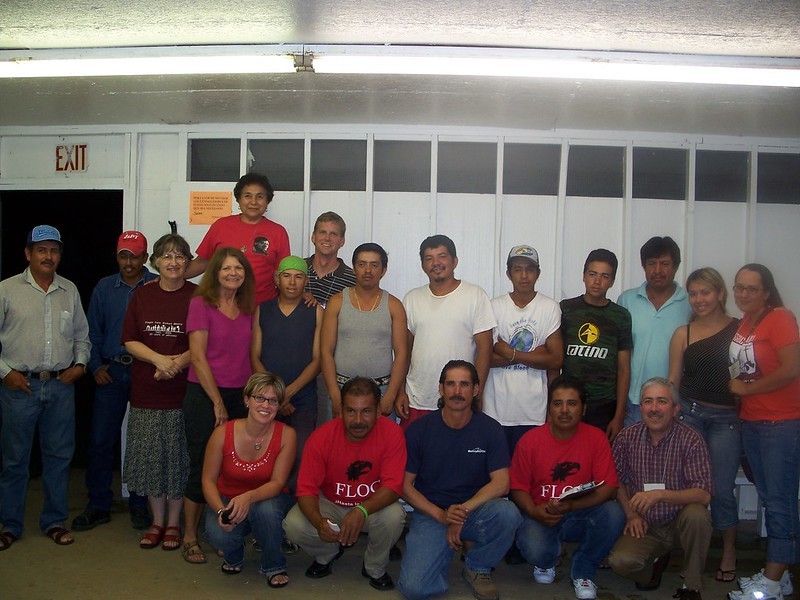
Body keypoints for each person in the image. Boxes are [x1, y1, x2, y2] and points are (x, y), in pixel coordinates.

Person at [398, 360, 522, 600]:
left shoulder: (490, 429)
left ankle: (477, 566)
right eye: (451, 384)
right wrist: (441, 516)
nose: (457, 391)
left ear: (476, 389)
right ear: (440, 389)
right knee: (414, 589)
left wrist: (461, 512)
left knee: (508, 514)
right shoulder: (419, 430)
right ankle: (442, 551)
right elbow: (403, 486)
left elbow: (501, 483)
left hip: (474, 510)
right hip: (432, 513)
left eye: (464, 385)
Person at [0, 225, 90, 551]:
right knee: (14, 461)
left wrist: (80, 365)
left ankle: (54, 521)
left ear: (59, 255)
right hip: (18, 387)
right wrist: (5, 373)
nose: (48, 256)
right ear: (28, 254)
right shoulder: (7, 290)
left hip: (59, 388)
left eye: (53, 250)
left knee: (58, 458)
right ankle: (9, 525)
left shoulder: (70, 290)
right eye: (41, 250)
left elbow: (82, 335)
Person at [283, 377, 406, 591]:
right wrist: (319, 522)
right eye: (351, 411)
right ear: (341, 410)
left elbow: (394, 487)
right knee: (293, 525)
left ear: (378, 411)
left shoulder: (393, 434)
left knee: (395, 516)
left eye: (366, 411)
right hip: (331, 503)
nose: (358, 420)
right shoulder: (321, 437)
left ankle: (374, 566)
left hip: (371, 507)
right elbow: (306, 490)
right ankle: (327, 553)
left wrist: (361, 510)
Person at [510, 375, 625, 600]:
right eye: (557, 403)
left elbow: (609, 487)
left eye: (571, 403)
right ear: (549, 407)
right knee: (534, 549)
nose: (564, 410)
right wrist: (534, 511)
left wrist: (573, 505)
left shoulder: (596, 438)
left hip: (581, 512)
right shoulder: (530, 440)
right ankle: (548, 558)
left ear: (583, 409)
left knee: (614, 514)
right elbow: (518, 487)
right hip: (542, 514)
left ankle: (584, 569)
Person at [72, 230, 157, 533]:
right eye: (124, 255)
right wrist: (95, 366)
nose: (129, 261)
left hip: (146, 372)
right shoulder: (104, 288)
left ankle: (138, 504)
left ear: (146, 258)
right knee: (100, 440)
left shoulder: (156, 286)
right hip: (111, 371)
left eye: (135, 255)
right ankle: (98, 504)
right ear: (117, 256)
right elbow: (91, 331)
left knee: (141, 441)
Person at [727, 264, 800, 600]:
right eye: (739, 287)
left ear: (766, 291)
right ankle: (781, 574)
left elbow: (791, 370)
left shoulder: (780, 318)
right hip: (753, 423)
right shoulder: (747, 322)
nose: (743, 294)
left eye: (751, 289)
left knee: (780, 500)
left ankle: (771, 583)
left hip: (780, 423)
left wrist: (747, 391)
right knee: (771, 498)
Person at [120, 233, 195, 552]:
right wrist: (159, 359)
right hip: (146, 390)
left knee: (177, 460)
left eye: (179, 256)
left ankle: (175, 523)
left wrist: (176, 365)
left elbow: (204, 340)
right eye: (166, 256)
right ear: (155, 262)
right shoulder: (142, 295)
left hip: (184, 392)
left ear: (188, 262)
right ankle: (156, 521)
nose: (173, 262)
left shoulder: (199, 295)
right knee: (152, 460)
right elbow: (129, 340)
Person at [608, 377, 712, 600]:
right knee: (620, 563)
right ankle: (656, 563)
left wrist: (661, 495)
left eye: (662, 401)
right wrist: (631, 513)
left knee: (698, 516)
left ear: (675, 409)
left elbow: (703, 494)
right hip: (644, 524)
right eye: (648, 401)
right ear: (641, 407)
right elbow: (615, 480)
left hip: (678, 521)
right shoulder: (627, 437)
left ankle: (692, 586)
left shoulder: (691, 439)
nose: (654, 409)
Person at [183, 246, 255, 564]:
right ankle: (189, 536)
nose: (232, 273)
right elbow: (197, 356)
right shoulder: (201, 304)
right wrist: (217, 403)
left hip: (240, 396)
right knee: (201, 464)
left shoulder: (249, 307)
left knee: (233, 466)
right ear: (215, 272)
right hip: (204, 395)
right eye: (226, 268)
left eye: (238, 268)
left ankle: (225, 530)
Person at [667, 267, 740, 583]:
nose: (699, 299)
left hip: (728, 420)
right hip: (690, 415)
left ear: (721, 293)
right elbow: (673, 380)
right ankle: (689, 552)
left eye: (705, 292)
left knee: (721, 488)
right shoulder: (683, 333)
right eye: (693, 293)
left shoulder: (740, 331)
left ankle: (728, 551)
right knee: (687, 487)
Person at [202, 372, 297, 586]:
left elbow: (278, 483)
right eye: (259, 398)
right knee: (219, 533)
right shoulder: (222, 433)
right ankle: (233, 555)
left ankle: (274, 564)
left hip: (269, 498)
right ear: (247, 400)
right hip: (227, 498)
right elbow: (208, 481)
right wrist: (221, 511)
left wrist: (247, 498)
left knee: (266, 511)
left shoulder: (287, 435)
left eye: (273, 400)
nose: (266, 405)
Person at [396, 235, 496, 427]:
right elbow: (404, 352)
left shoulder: (475, 295)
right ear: (423, 265)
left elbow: (485, 350)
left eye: (442, 256)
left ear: (454, 261)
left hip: (461, 399)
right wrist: (400, 391)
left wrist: (477, 392)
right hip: (418, 398)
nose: (436, 263)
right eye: (429, 258)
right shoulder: (412, 299)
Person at [483, 244, 563, 452]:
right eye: (518, 269)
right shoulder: (494, 306)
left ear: (538, 273)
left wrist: (509, 352)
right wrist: (536, 356)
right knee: (500, 476)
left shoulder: (550, 307)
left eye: (530, 269)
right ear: (508, 273)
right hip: (495, 411)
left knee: (529, 478)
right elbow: (485, 359)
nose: (524, 275)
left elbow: (556, 361)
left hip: (535, 411)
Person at [251, 255, 322, 487]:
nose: (292, 282)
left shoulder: (315, 311)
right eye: (287, 276)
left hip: (303, 399)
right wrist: (276, 395)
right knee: (265, 454)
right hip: (266, 399)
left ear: (306, 281)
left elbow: (317, 359)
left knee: (301, 454)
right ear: (276, 279)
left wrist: (288, 393)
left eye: (299, 277)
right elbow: (255, 356)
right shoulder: (263, 310)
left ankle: (294, 508)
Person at [321, 242, 408, 418]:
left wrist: (391, 395)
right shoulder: (337, 302)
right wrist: (334, 393)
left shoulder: (394, 305)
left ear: (383, 270)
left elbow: (401, 354)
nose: (367, 270)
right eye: (362, 264)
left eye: (374, 265)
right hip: (342, 390)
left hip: (381, 391)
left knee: (381, 445)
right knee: (340, 445)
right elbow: (325, 351)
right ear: (354, 268)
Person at [185, 172, 290, 305]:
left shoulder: (278, 232)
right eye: (247, 196)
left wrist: (299, 294)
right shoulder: (221, 226)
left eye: (260, 197)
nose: (253, 202)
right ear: (238, 200)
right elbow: (202, 263)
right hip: (222, 307)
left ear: (267, 201)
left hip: (262, 309)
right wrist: (167, 278)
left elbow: (281, 275)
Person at [618, 237, 690, 425]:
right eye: (652, 264)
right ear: (644, 266)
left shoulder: (691, 303)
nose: (658, 270)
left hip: (675, 403)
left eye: (665, 264)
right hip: (635, 401)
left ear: (676, 266)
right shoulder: (627, 300)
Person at [560, 248, 632, 440]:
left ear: (612, 281)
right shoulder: (565, 309)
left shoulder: (621, 316)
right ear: (584, 276)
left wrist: (618, 415)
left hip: (604, 404)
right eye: (592, 274)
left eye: (604, 276)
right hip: (569, 401)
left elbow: (624, 368)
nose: (597, 281)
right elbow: (554, 359)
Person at [304, 211, 356, 307]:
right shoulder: (296, 270)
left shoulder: (353, 281)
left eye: (333, 234)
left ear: (342, 241)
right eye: (322, 232)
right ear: (313, 237)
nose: (327, 238)